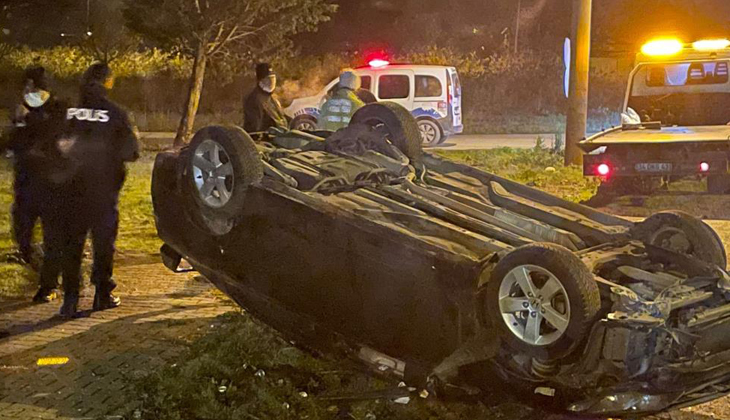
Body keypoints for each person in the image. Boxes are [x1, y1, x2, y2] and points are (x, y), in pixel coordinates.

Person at [54, 62, 139, 317]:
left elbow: (52, 145)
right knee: (103, 244)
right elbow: (132, 152)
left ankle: (70, 299)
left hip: (70, 190)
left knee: (71, 245)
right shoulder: (116, 114)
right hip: (102, 191)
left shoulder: (67, 112)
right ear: (108, 83)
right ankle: (102, 294)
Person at [7, 67, 52, 270]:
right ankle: (37, 257)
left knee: (25, 219)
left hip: (32, 176)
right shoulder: (53, 106)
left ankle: (32, 256)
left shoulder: (29, 109)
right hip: (44, 177)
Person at [243, 63, 288, 136]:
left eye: (273, 79)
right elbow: (254, 130)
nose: (271, 82)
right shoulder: (253, 100)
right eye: (267, 79)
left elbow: (281, 117)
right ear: (260, 81)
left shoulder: (271, 97)